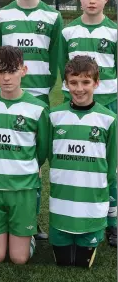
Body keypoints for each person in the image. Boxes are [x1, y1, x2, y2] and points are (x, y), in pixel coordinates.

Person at [0, 0, 64, 239]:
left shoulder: (53, 17)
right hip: (7, 98)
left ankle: (30, 221)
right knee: (6, 154)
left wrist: (44, 91)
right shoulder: (2, 15)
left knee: (33, 159)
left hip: (39, 98)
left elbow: (55, 57)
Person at [58, 0, 117, 246]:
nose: (92, 1)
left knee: (111, 166)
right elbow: (63, 68)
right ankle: (79, 213)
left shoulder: (114, 32)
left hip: (109, 105)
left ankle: (113, 222)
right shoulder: (68, 32)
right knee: (81, 164)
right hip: (77, 105)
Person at [0, 46, 49, 264]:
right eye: (1, 71)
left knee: (19, 258)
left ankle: (27, 238)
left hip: (23, 188)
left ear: (24, 70)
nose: (7, 77)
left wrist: (26, 167)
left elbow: (42, 149)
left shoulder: (37, 108)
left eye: (13, 71)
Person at [49, 56, 117, 267]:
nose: (79, 89)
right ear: (66, 84)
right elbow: (51, 155)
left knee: (80, 263)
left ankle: (97, 226)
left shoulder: (109, 119)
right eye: (73, 82)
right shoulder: (54, 116)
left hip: (92, 205)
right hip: (62, 205)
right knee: (63, 262)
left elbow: (111, 163)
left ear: (96, 83)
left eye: (86, 82)